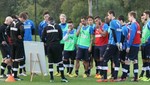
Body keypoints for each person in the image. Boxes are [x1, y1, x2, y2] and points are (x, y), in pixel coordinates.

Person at [97, 10, 122, 82]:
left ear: (111, 14)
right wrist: (119, 42)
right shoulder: (119, 23)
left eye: (108, 15)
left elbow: (113, 32)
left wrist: (116, 42)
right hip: (117, 45)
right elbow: (120, 33)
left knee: (104, 59)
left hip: (112, 43)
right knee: (116, 60)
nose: (108, 17)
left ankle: (104, 78)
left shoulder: (112, 22)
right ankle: (115, 77)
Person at [42, 17, 68, 82]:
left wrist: (46, 42)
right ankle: (62, 77)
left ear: (48, 21)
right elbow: (61, 37)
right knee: (60, 61)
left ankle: (51, 78)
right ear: (54, 21)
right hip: (57, 46)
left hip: (49, 46)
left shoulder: (46, 28)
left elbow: (42, 38)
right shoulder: (58, 26)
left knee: (50, 62)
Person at [122, 11, 141, 82]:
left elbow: (132, 36)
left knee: (127, 60)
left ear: (132, 16)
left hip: (132, 45)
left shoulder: (133, 25)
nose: (128, 18)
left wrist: (128, 46)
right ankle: (136, 77)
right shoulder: (137, 24)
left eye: (129, 16)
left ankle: (123, 77)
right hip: (136, 45)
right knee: (135, 61)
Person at [10, 12, 27, 81]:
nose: (24, 21)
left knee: (13, 59)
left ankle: (13, 74)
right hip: (18, 43)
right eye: (24, 20)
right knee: (17, 60)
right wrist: (21, 36)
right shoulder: (20, 24)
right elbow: (22, 30)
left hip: (12, 43)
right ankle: (15, 76)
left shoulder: (12, 23)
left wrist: (12, 36)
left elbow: (7, 30)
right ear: (22, 18)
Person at [140, 10, 150, 81]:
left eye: (144, 15)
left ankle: (148, 76)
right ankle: (144, 75)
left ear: (147, 15)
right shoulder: (145, 25)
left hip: (148, 44)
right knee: (145, 60)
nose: (143, 16)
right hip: (143, 44)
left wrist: (148, 39)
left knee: (148, 60)